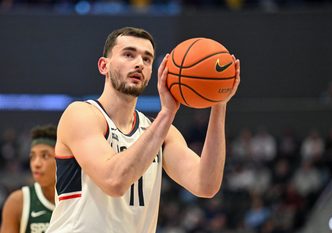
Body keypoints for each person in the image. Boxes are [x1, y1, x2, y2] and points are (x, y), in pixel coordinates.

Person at [47, 26, 241, 233]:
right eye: (129, 55)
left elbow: (206, 185)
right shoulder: (81, 114)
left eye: (147, 59)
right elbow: (114, 181)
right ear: (104, 66)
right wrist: (167, 113)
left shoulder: (162, 132)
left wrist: (219, 103)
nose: (139, 63)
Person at [0, 125, 57, 233]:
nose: (36, 164)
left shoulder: (79, 200)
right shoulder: (17, 202)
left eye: (45, 156)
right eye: (32, 157)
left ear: (61, 160)